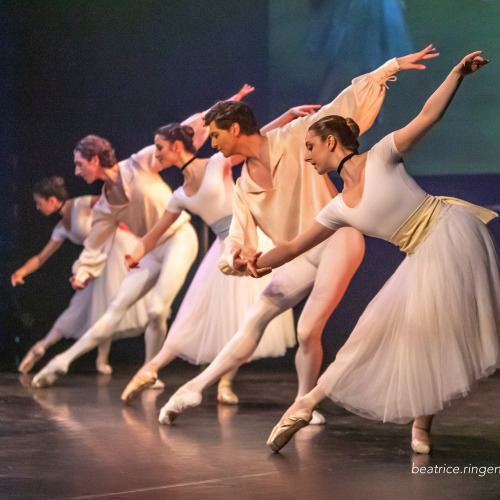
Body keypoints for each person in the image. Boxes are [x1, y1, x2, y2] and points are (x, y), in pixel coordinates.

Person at [155, 46, 439, 426]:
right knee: (256, 315)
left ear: (235, 130)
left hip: (339, 240)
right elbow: (240, 239)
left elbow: (343, 106)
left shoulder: (293, 136)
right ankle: (192, 388)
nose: (213, 143)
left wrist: (388, 68)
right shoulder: (242, 186)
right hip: (300, 253)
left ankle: (304, 404)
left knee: (308, 328)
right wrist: (236, 258)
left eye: (216, 135)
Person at [248, 51, 498, 454]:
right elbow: (294, 246)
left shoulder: (383, 154)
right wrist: (253, 265)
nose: (307, 155)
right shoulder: (337, 208)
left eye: (310, 147)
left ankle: (418, 426)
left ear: (331, 142)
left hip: (450, 232)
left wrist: (456, 75)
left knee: (429, 332)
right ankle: (304, 405)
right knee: (375, 334)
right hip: (420, 254)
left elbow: (427, 117)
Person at [31, 85, 252, 388]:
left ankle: (150, 372)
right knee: (115, 308)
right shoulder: (105, 204)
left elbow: (184, 135)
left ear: (95, 160)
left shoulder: (140, 162)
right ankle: (61, 362)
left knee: (157, 309)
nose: (77, 170)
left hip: (177, 239)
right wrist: (82, 273)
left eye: (80, 164)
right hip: (147, 250)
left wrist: (230, 103)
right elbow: (94, 243)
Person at [120, 118, 298, 405]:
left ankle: (224, 383)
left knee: (245, 317)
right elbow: (152, 236)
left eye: (159, 148)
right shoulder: (178, 196)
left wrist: (288, 115)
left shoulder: (218, 162)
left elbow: (256, 138)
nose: (156, 155)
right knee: (189, 318)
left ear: (177, 147)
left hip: (251, 242)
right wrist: (134, 255)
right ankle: (149, 369)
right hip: (222, 252)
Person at [12, 176, 149, 375]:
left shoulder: (80, 204)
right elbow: (41, 258)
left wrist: (120, 219)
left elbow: (109, 198)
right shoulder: (61, 228)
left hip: (116, 248)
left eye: (39, 203)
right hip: (96, 260)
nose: (37, 207)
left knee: (109, 303)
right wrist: (22, 271)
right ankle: (42, 345)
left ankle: (101, 358)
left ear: (51, 200)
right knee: (85, 306)